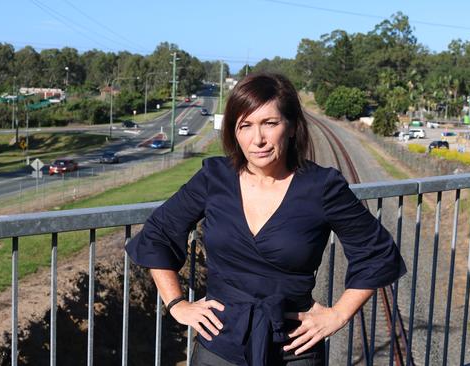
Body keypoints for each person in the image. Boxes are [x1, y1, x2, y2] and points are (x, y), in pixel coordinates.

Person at [126, 72, 406, 366]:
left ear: (292, 126)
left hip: (295, 349)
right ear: (233, 132)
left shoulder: (322, 187)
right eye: (245, 126)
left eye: (269, 123)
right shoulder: (214, 178)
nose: (257, 139)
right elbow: (158, 232)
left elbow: (377, 253)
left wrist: (338, 314)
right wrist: (176, 304)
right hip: (219, 346)